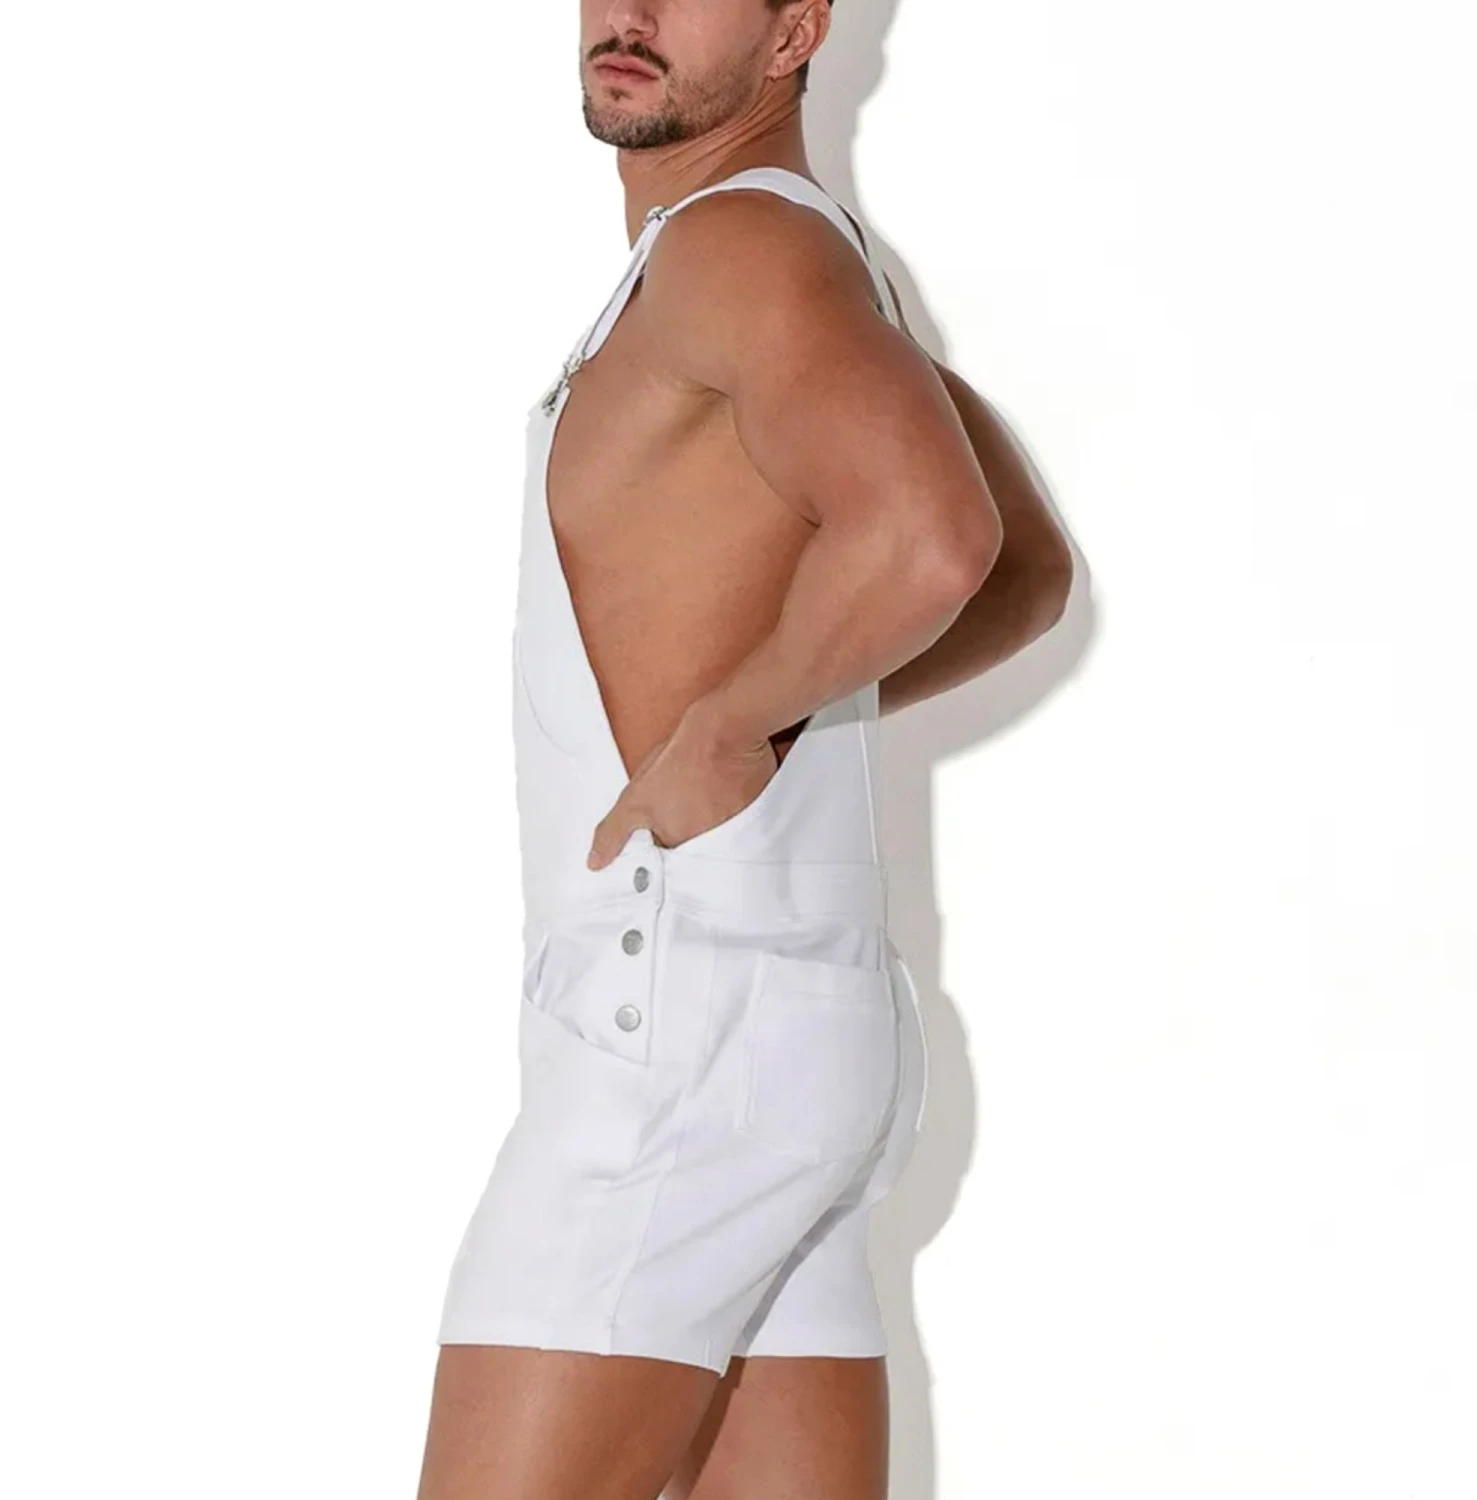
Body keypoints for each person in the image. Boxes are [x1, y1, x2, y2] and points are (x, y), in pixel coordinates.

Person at [417, 2, 1073, 1496]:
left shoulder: (744, 252)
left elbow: (940, 540)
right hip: (791, 1032)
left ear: (796, 33)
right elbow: (1022, 570)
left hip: (679, 1030)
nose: (631, 12)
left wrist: (733, 723)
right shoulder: (795, 256)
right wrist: (779, 715)